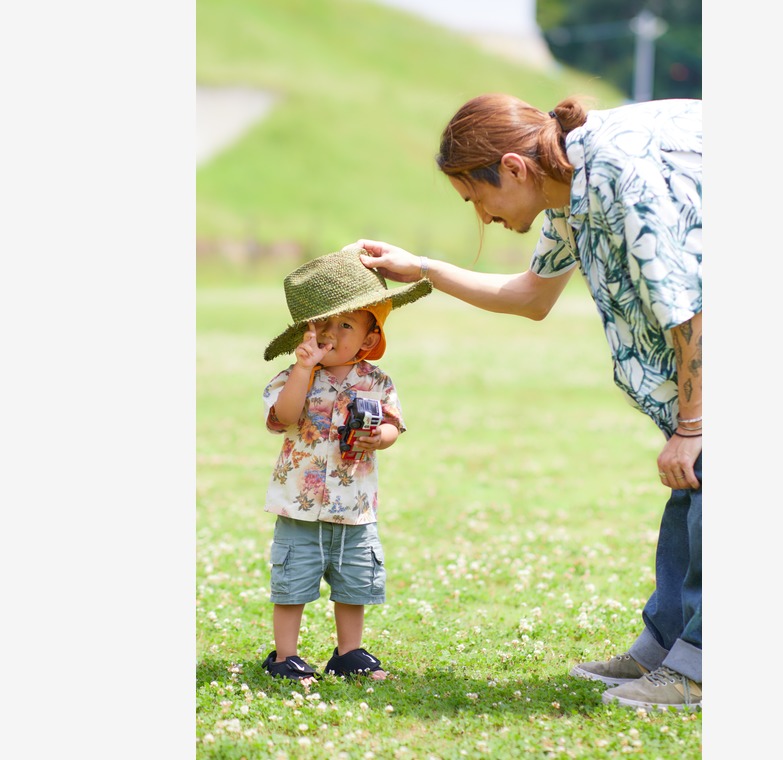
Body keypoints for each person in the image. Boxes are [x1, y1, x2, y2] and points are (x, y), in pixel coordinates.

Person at [352, 93, 702, 710]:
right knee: (692, 485)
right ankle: (670, 642)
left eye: (474, 198)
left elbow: (692, 314)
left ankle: (700, 668)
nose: (481, 217)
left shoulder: (620, 175)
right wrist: (424, 267)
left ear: (512, 168)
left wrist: (694, 425)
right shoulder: (570, 185)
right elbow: (531, 294)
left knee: (706, 467)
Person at [260, 245, 431, 682]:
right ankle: (285, 656)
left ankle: (348, 652)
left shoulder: (376, 381)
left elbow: (393, 426)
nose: (331, 333)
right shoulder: (292, 376)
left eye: (346, 324)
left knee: (353, 582)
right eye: (322, 325)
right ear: (305, 332)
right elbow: (285, 416)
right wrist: (303, 369)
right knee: (292, 581)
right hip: (299, 506)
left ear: (370, 340)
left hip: (354, 506)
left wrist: (381, 437)